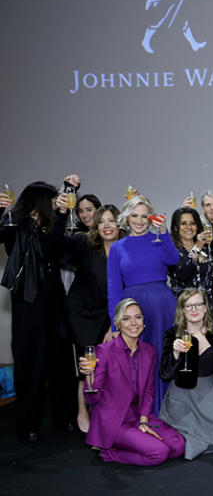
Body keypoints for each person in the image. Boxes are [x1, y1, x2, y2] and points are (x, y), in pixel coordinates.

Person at [1, 180, 69, 441]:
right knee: (31, 364)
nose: (55, 205)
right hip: (28, 303)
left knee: (58, 360)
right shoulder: (15, 224)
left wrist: (63, 214)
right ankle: (28, 423)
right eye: (52, 201)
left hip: (52, 302)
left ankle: (63, 418)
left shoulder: (48, 227)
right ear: (40, 201)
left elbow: (59, 247)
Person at [79, 299, 185, 465]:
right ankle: (110, 453)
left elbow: (149, 391)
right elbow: (93, 399)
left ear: (144, 321)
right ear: (118, 324)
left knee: (178, 446)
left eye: (138, 317)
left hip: (138, 418)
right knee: (159, 452)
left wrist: (143, 421)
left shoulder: (149, 351)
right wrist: (89, 375)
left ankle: (137, 442)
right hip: (114, 422)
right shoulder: (104, 351)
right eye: (126, 318)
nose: (133, 323)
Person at [55, 203, 124, 433]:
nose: (107, 226)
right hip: (82, 315)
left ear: (119, 224)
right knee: (87, 366)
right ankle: (82, 410)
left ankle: (104, 412)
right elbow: (57, 244)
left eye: (112, 220)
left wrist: (113, 324)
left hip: (110, 315)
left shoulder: (125, 249)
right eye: (102, 221)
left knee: (109, 367)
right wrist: (61, 214)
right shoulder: (85, 244)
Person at [107, 194, 178, 415]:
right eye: (134, 215)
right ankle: (143, 415)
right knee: (138, 363)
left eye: (144, 216)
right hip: (133, 311)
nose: (139, 221)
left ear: (151, 218)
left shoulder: (159, 240)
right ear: (126, 218)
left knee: (164, 357)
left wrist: (165, 232)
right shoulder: (117, 248)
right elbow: (113, 288)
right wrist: (115, 323)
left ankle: (168, 412)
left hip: (163, 307)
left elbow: (173, 260)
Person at [158, 289, 213, 459]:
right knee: (180, 436)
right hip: (182, 396)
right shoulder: (172, 334)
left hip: (212, 391)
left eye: (198, 304)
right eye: (188, 306)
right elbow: (165, 375)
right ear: (182, 310)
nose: (194, 309)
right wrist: (175, 353)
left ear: (206, 308)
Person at [168, 207, 213, 317]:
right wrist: (197, 248)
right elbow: (183, 274)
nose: (189, 227)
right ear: (176, 227)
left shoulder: (207, 247)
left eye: (193, 223)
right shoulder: (171, 250)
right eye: (183, 223)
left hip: (208, 306)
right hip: (185, 307)